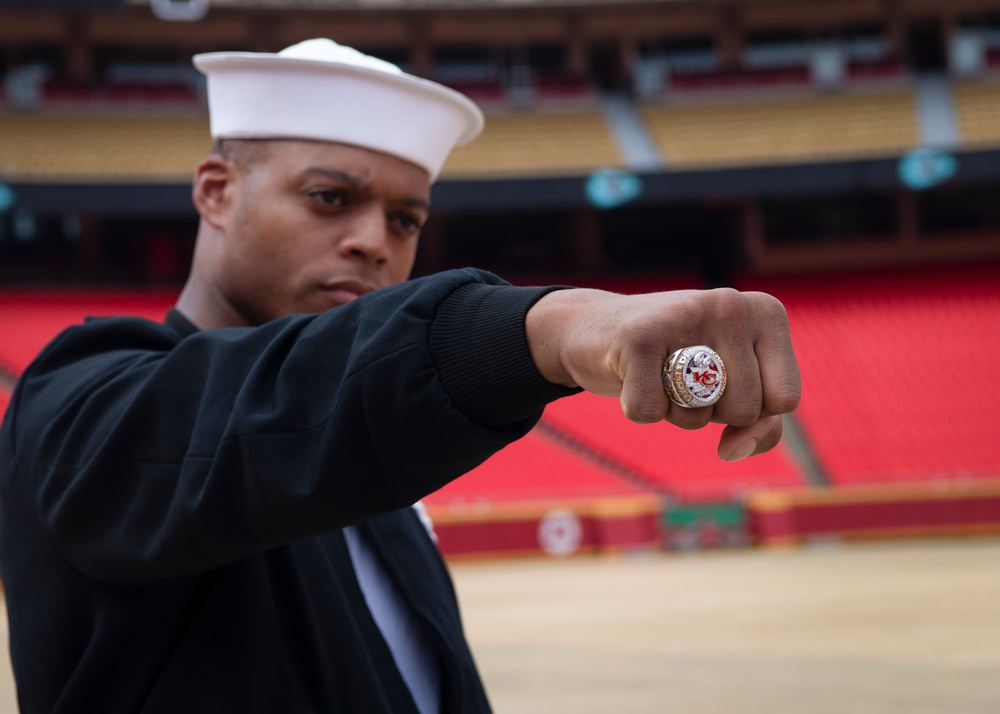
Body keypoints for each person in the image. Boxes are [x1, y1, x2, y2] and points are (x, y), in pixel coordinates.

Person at [0, 39, 800, 713]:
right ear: (216, 191)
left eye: (405, 219)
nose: (372, 241)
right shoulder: (78, 402)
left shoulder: (375, 478)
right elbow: (243, 422)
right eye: (329, 197)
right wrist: (539, 330)